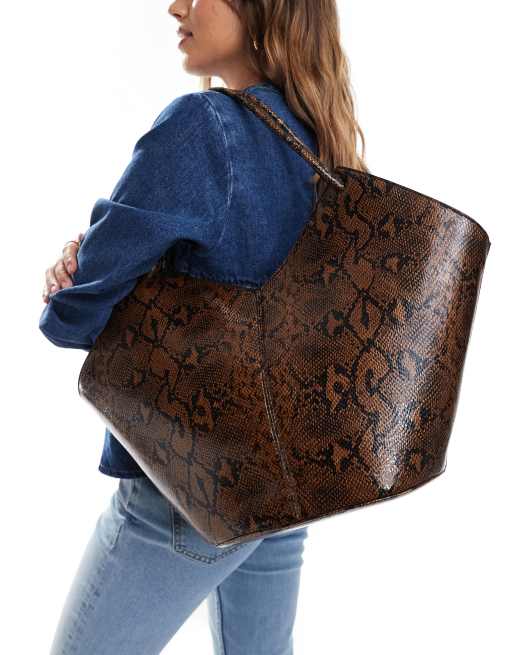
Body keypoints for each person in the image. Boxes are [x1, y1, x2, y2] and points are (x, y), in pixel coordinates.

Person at [39, 1, 368, 653]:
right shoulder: (323, 145)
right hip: (284, 485)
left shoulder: (204, 126)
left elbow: (75, 314)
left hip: (186, 486)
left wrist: (70, 279)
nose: (176, 6)